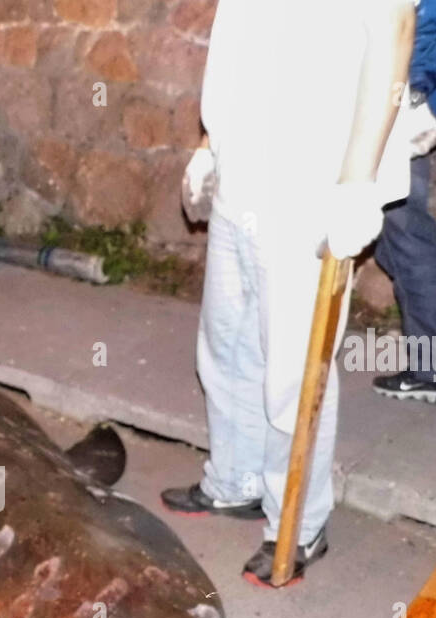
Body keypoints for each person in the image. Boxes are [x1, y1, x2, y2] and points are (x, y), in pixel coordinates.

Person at [161, 0, 417, 586]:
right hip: (242, 176)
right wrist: (208, 143)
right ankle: (236, 482)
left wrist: (357, 184)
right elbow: (237, 47)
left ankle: (298, 526)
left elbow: (394, 31)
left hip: (309, 184)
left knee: (293, 374)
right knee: (227, 349)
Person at [372, 0, 436, 406]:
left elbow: (422, 19)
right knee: (392, 232)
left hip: (397, 103)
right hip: (399, 96)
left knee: (404, 232)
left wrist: (412, 93)